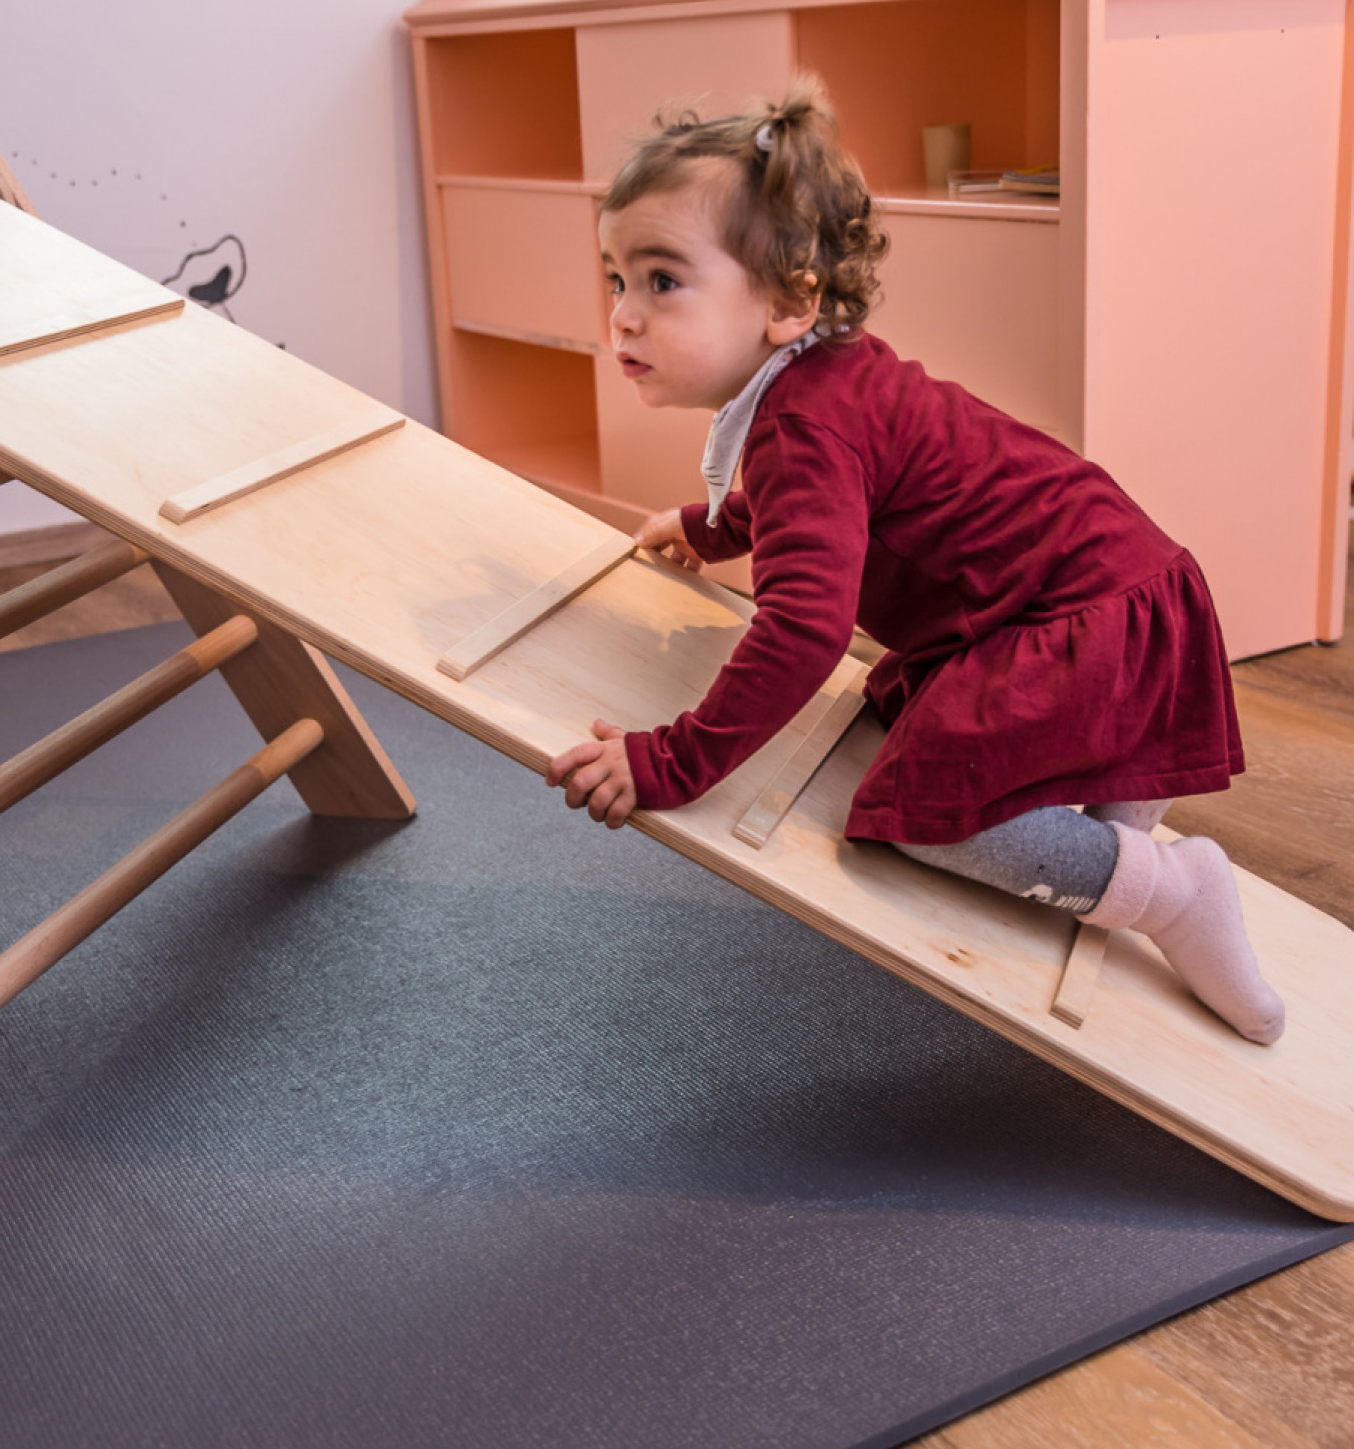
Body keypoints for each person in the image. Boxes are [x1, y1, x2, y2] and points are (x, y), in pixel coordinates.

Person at [545, 78, 1284, 1046]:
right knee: (936, 740)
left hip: (1088, 629)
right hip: (1126, 597)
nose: (623, 316)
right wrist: (709, 527)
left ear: (788, 301)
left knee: (923, 813)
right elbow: (835, 508)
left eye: (662, 282)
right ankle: (1116, 833)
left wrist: (671, 761)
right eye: (616, 279)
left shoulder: (801, 426)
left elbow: (803, 629)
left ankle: (1173, 892)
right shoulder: (820, 380)